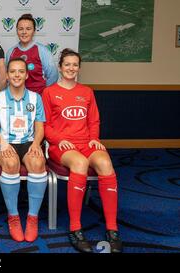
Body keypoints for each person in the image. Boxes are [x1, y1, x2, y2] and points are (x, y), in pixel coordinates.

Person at [42, 48, 123, 253]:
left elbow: (93, 120)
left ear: (79, 68)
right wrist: (59, 139)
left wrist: (95, 139)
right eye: (67, 64)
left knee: (105, 163)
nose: (71, 68)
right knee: (80, 163)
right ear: (60, 67)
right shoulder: (49, 92)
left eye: (75, 65)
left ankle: (112, 229)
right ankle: (75, 228)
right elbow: (44, 125)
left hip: (86, 143)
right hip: (61, 146)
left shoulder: (87, 92)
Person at [0, 58, 47, 242]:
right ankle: (13, 217)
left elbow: (40, 128)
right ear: (7, 75)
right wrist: (3, 142)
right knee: (11, 163)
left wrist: (36, 144)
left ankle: (32, 217)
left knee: (37, 163)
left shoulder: (35, 98)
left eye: (21, 71)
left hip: (29, 141)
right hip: (1, 141)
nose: (16, 75)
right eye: (12, 71)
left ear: (26, 75)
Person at [6, 14, 58, 95]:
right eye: (20, 29)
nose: (24, 32)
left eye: (28, 29)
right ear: (17, 31)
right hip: (16, 99)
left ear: (34, 31)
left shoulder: (42, 50)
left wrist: (43, 94)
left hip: (38, 99)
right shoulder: (11, 52)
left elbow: (53, 76)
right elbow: (7, 78)